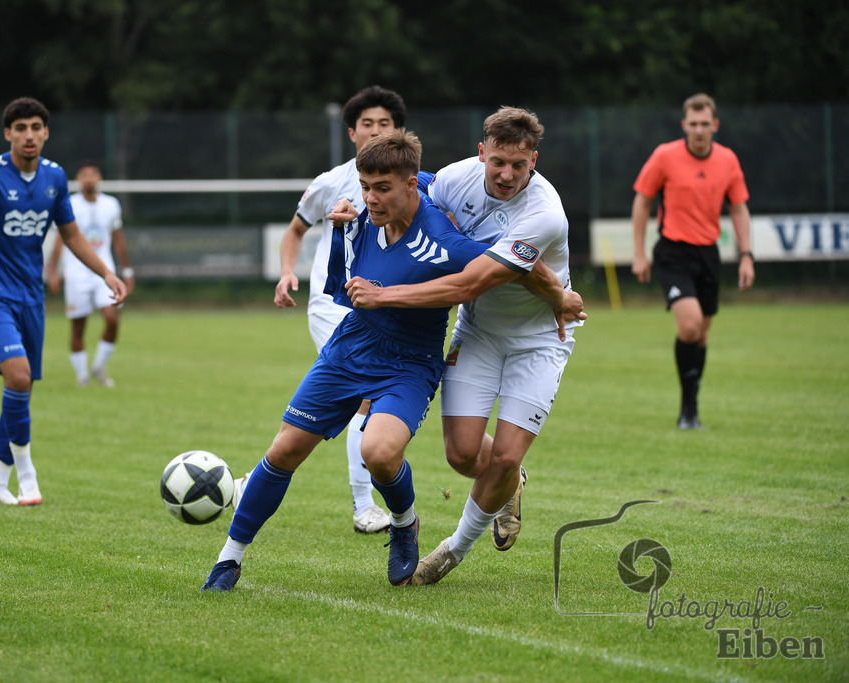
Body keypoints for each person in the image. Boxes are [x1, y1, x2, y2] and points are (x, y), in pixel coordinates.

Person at [202, 130, 490, 592]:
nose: (370, 198)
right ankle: (228, 561)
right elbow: (344, 286)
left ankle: (404, 523)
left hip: (409, 363)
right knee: (283, 451)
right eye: (365, 186)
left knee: (378, 451)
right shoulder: (358, 220)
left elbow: (507, 267)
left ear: (411, 184)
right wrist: (341, 230)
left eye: (383, 188)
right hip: (349, 347)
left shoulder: (443, 240)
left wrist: (558, 293)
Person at [346, 106, 586, 585]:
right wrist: (363, 210)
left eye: (519, 165)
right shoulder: (456, 178)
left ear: (533, 161)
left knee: (506, 457)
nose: (506, 174)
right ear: (482, 153)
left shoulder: (545, 215)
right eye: (497, 161)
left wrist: (382, 294)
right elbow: (411, 189)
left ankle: (452, 550)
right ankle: (507, 486)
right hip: (478, 332)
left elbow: (467, 284)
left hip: (539, 340)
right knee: (461, 455)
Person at [0, 97, 127, 506]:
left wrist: (107, 272)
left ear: (46, 133)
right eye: (21, 128)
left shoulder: (55, 177)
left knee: (19, 389)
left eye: (36, 128)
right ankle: (28, 477)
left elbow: (73, 235)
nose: (29, 135)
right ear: (8, 133)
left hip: (31, 297)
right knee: (20, 378)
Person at [250, 85, 410, 535]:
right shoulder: (331, 182)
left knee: (356, 405)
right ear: (351, 132)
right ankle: (364, 507)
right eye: (367, 124)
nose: (376, 130)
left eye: (385, 123)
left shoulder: (412, 183)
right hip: (331, 304)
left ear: (398, 131)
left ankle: (254, 479)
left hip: (386, 307)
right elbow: (295, 231)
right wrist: (286, 272)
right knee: (365, 397)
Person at [631, 93, 754, 430]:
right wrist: (640, 254)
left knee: (701, 335)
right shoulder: (664, 156)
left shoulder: (728, 160)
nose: (699, 130)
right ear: (684, 124)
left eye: (705, 124)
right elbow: (642, 202)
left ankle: (691, 408)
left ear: (715, 125)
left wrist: (746, 256)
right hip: (672, 253)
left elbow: (739, 207)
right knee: (690, 325)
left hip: (708, 254)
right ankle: (687, 411)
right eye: (693, 123)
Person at [45, 160, 135, 387]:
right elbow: (61, 240)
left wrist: (127, 270)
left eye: (93, 174)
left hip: (104, 272)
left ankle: (98, 366)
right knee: (78, 326)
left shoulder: (111, 205)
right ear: (78, 179)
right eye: (84, 174)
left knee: (112, 318)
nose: (89, 178)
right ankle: (82, 375)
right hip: (76, 273)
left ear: (100, 179)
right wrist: (53, 270)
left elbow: (118, 240)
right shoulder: (69, 203)